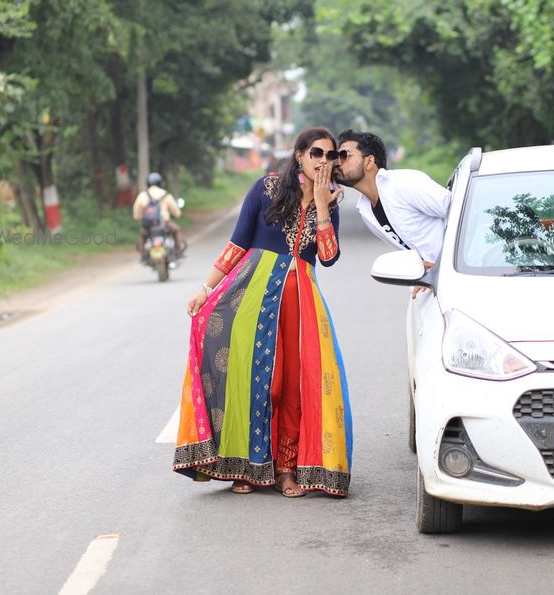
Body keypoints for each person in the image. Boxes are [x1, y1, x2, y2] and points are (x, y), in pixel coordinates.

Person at [173, 127, 352, 499]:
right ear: (299, 155)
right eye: (316, 153)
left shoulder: (331, 203)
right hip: (251, 297)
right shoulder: (266, 188)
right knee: (255, 379)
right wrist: (205, 289)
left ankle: (286, 470)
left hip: (301, 302)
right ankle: (248, 467)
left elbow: (329, 258)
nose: (323, 161)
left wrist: (321, 204)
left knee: (292, 386)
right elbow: (238, 243)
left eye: (330, 155)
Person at [332, 130, 450, 295]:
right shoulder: (366, 210)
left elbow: (463, 213)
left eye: (345, 155)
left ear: (369, 161)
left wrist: (445, 265)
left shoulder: (405, 183)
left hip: (461, 276)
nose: (337, 162)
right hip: (432, 287)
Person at [132, 172, 186, 257]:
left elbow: (136, 214)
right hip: (165, 224)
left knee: (142, 235)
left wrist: (140, 217)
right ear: (160, 183)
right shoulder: (165, 194)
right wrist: (178, 214)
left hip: (148, 226)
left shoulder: (142, 195)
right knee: (177, 230)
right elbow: (176, 211)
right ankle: (178, 251)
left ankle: (144, 256)